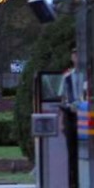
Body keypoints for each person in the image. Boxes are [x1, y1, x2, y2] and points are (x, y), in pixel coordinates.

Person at [60, 44, 84, 188]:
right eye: (74, 54)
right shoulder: (67, 77)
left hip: (87, 115)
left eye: (79, 54)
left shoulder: (88, 75)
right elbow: (62, 99)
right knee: (72, 152)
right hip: (71, 116)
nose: (77, 57)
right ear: (72, 58)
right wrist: (61, 122)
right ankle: (73, 183)